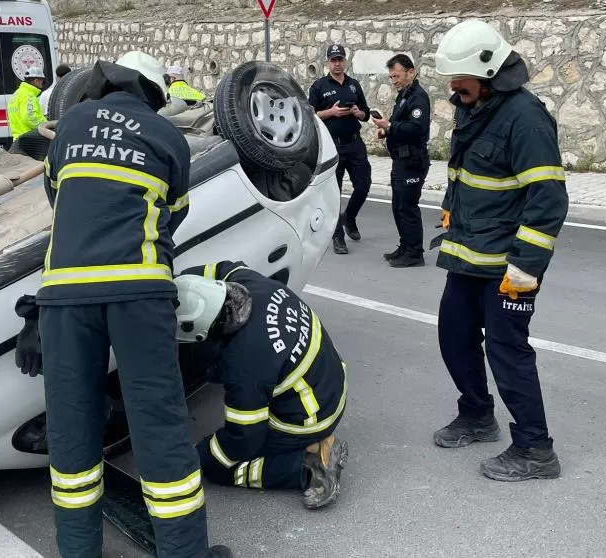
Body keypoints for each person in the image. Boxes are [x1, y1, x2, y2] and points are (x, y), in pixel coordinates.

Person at [27, 50, 231, 558]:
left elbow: (58, 198)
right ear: (154, 95)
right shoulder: (168, 138)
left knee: (72, 428)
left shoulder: (72, 122)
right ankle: (185, 553)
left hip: (65, 296)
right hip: (139, 291)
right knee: (159, 424)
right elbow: (171, 217)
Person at [429, 19, 569, 482]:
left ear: (488, 71)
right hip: (468, 254)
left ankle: (535, 448)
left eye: (459, 79)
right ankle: (476, 415)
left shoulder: (526, 118)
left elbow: (548, 199)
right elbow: (464, 173)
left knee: (507, 351)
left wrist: (526, 269)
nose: (453, 88)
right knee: (454, 335)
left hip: (508, 266)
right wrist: (451, 213)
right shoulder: (474, 106)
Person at [174, 261, 348, 509]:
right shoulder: (251, 284)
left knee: (223, 469)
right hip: (331, 383)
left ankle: (309, 465)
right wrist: (179, 283)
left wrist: (199, 457)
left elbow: (243, 438)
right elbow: (222, 267)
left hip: (311, 417)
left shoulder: (245, 362)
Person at [307, 43, 372, 255]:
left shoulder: (353, 85)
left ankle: (349, 217)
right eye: (333, 60)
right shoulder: (319, 86)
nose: (337, 64)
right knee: (334, 193)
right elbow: (310, 116)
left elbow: (365, 112)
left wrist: (357, 112)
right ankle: (337, 236)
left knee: (363, 185)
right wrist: (331, 112)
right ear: (328, 62)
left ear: (345, 61)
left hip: (354, 143)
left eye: (340, 59)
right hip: (331, 145)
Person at [370, 54, 431, 268]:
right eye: (391, 77)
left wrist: (390, 126)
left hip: (413, 161)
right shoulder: (404, 95)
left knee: (407, 207)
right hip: (400, 160)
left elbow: (417, 129)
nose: (394, 81)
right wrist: (385, 131)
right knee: (397, 206)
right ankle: (405, 246)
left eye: (396, 76)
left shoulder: (418, 97)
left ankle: (415, 253)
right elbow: (398, 124)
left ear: (410, 72)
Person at [8, 65, 48, 140]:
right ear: (36, 81)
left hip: (18, 138)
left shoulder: (16, 94)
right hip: (30, 140)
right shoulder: (28, 96)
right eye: (42, 81)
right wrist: (46, 125)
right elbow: (30, 118)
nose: (42, 84)